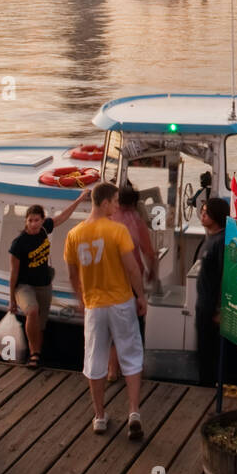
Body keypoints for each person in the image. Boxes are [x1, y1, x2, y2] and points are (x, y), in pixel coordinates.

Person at [64, 182, 148, 439]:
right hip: (121, 301)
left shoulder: (74, 234)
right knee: (131, 355)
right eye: (113, 201)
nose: (116, 206)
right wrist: (141, 295)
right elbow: (132, 268)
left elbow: (72, 274)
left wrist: (81, 299)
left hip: (94, 306)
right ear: (103, 203)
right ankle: (134, 411)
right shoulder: (117, 231)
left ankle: (99, 416)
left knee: (95, 359)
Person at [8, 189, 90, 369]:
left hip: (44, 284)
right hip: (24, 286)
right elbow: (13, 273)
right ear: (26, 221)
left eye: (37, 220)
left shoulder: (45, 229)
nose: (33, 224)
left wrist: (80, 199)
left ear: (42, 220)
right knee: (32, 311)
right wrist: (11, 300)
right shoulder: (19, 244)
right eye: (30, 220)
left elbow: (63, 216)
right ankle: (34, 354)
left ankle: (37, 355)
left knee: (40, 324)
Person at [106, 183, 160, 381]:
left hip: (110, 278)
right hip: (131, 278)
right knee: (134, 326)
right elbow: (149, 252)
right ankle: (135, 369)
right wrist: (152, 273)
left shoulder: (109, 220)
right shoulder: (136, 221)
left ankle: (112, 370)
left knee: (113, 326)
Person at [193, 196, 229, 387]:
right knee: (202, 349)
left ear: (215, 216)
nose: (202, 215)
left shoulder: (221, 242)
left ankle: (208, 388)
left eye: (206, 212)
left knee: (209, 350)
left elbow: (225, 276)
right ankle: (204, 382)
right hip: (203, 304)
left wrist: (220, 309)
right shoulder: (210, 238)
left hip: (211, 307)